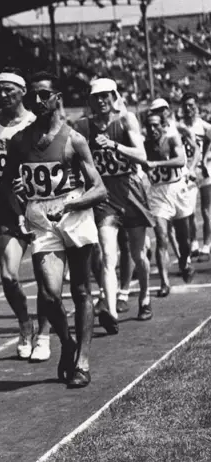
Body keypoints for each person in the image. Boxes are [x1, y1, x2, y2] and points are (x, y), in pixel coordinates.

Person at [1, 71, 107, 388]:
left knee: (82, 290)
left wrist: (72, 205)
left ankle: (83, 363)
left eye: (45, 94)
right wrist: (21, 205)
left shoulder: (74, 140)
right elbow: (5, 183)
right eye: (33, 95)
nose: (38, 100)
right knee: (48, 295)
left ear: (56, 97)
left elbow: (99, 189)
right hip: (41, 220)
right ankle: (68, 343)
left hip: (73, 216)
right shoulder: (19, 141)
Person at [0, 68, 53, 362]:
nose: (3, 95)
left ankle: (44, 336)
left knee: (47, 281)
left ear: (22, 93)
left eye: (9, 90)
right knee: (8, 276)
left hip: (38, 208)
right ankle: (24, 324)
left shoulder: (36, 122)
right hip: (7, 208)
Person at [73, 79, 153, 328]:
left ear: (114, 96)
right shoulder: (83, 126)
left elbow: (142, 156)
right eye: (96, 96)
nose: (101, 100)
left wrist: (115, 145)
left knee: (139, 254)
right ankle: (111, 311)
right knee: (108, 255)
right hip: (105, 197)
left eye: (105, 95)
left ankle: (145, 296)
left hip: (130, 192)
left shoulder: (126, 120)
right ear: (90, 100)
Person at [143, 111, 196, 297]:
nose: (152, 129)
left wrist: (156, 164)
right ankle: (164, 283)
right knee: (162, 237)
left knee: (185, 239)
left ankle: (184, 261)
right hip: (158, 193)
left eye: (155, 125)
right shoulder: (144, 144)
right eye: (148, 126)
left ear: (162, 125)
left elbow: (181, 160)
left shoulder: (173, 139)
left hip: (177, 190)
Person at [178, 93, 211, 262]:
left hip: (204, 170)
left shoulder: (205, 126)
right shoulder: (179, 127)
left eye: (192, 105)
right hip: (187, 172)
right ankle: (194, 243)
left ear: (197, 106)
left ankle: (207, 245)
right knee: (188, 211)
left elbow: (207, 144)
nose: (189, 108)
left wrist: (205, 160)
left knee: (206, 210)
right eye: (186, 106)